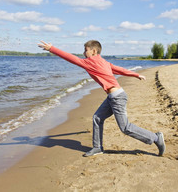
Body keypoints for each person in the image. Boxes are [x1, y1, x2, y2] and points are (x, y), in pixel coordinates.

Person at [38, 40, 166, 157]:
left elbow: (71, 58)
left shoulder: (89, 62)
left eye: (86, 50)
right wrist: (135, 74)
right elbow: (119, 69)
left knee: (125, 127)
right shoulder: (103, 62)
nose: (83, 53)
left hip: (117, 98)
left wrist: (52, 49)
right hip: (113, 97)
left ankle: (155, 138)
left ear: (94, 51)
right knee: (97, 118)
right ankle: (97, 147)